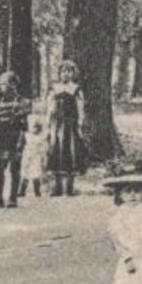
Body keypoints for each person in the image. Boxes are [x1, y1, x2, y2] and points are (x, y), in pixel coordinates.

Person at [42, 59, 87, 196]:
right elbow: (50, 107)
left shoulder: (76, 89)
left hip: (70, 125)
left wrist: (79, 124)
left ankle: (70, 187)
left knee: (70, 153)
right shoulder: (54, 88)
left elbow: (80, 108)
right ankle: (57, 187)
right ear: (59, 73)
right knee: (56, 152)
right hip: (57, 124)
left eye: (69, 71)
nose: (66, 74)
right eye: (63, 71)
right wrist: (48, 123)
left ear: (73, 74)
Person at [0, 70, 29, 210]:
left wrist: (20, 143)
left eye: (4, 84)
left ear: (13, 85)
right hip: (1, 138)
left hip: (15, 137)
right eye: (0, 84)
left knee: (14, 168)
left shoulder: (22, 102)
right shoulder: (0, 102)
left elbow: (24, 126)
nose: (1, 87)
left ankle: (13, 198)